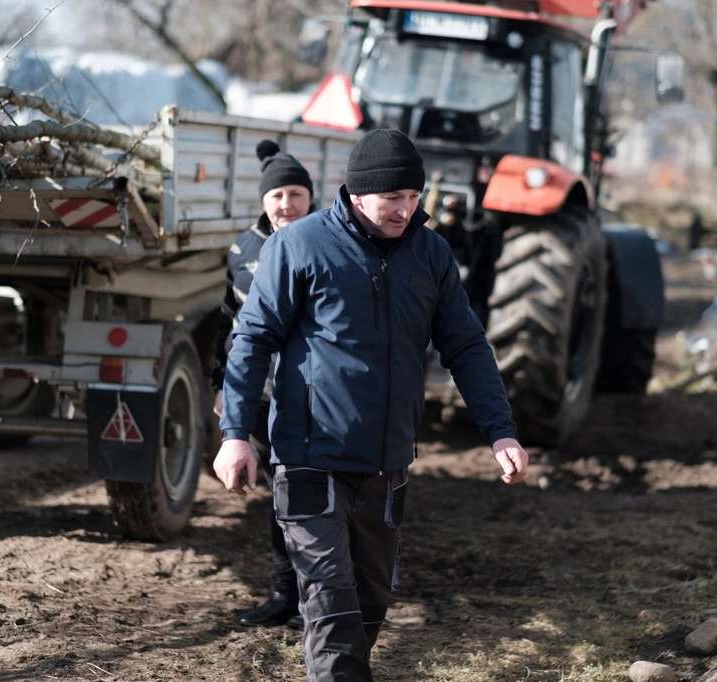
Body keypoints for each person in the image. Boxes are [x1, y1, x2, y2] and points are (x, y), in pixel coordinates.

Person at [215, 129, 528, 681]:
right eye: (393, 200)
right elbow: (252, 340)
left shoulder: (430, 253)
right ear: (357, 195)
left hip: (386, 465)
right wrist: (236, 433)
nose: (406, 211)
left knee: (367, 609)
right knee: (332, 612)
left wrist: (500, 430)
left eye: (414, 198)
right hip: (310, 457)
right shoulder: (299, 247)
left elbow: (466, 346)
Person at [211, 139, 315, 629]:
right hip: (259, 395)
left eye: (295, 193)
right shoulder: (243, 249)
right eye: (277, 195)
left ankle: (317, 597)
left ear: (311, 199)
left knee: (307, 498)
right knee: (278, 498)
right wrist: (222, 387)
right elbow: (229, 324)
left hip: (309, 397)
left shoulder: (323, 243)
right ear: (263, 201)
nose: (286, 204)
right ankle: (283, 594)